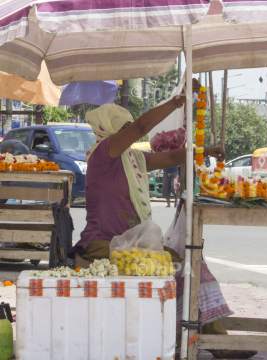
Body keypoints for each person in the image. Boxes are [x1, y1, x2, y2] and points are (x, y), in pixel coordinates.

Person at [73, 78, 255, 359]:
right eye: (123, 129)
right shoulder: (103, 156)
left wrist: (203, 152)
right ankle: (170, 338)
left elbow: (170, 158)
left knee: (191, 266)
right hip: (103, 245)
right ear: (107, 130)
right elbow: (142, 127)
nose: (129, 134)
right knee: (171, 271)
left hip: (133, 246)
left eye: (128, 127)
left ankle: (213, 339)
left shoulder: (131, 158)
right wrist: (179, 100)